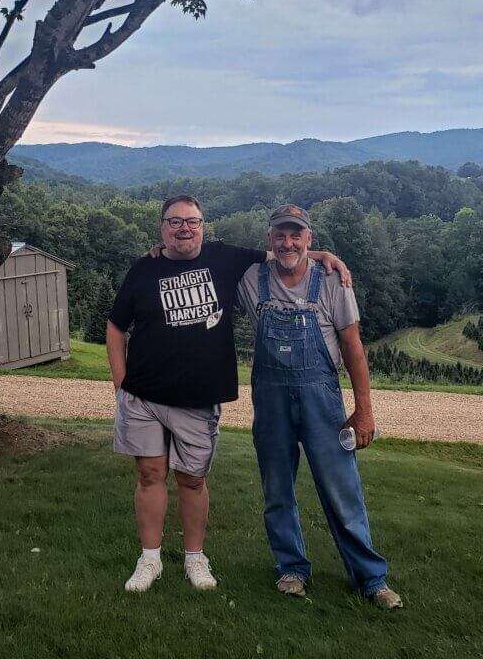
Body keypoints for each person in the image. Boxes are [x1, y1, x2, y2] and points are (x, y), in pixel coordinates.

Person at [106, 195, 349, 593]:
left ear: (203, 225)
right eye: (175, 221)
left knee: (193, 480)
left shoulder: (225, 258)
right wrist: (120, 386)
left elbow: (281, 253)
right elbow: (116, 328)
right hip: (144, 397)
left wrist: (322, 254)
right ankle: (149, 559)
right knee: (149, 474)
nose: (184, 228)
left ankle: (194, 559)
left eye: (192, 221)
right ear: (161, 227)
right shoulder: (143, 268)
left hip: (199, 397)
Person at [236, 204, 402, 609]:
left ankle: (370, 578)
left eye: (297, 236)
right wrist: (160, 252)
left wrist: (364, 410)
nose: (288, 243)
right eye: (280, 235)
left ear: (309, 239)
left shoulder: (332, 281)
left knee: (342, 490)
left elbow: (353, 347)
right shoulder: (251, 278)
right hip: (271, 401)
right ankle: (291, 568)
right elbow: (201, 256)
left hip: (322, 400)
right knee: (277, 490)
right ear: (269, 240)